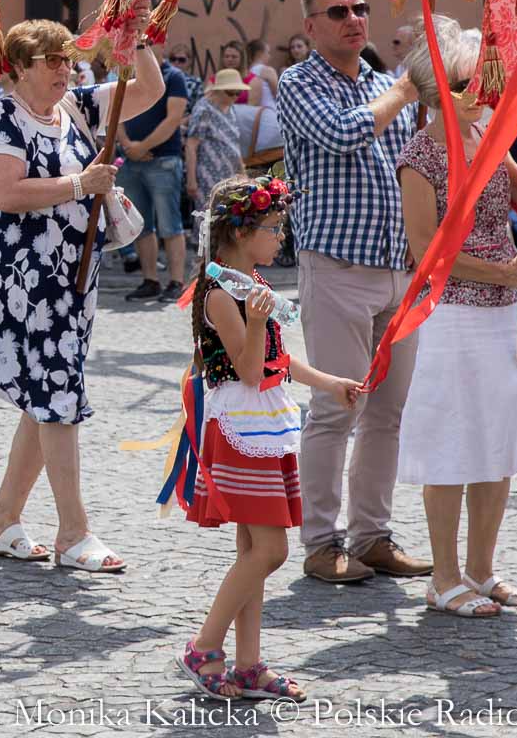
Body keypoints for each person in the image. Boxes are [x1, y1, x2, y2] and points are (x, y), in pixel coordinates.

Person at [0, 20, 165, 572]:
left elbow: (149, 90)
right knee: (57, 392)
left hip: (73, 274)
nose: (63, 70)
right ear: (20, 67)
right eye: (51, 61)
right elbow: (6, 193)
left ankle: (2, 523)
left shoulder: (75, 107)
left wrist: (135, 37)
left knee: (45, 396)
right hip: (24, 279)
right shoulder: (2, 114)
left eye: (67, 59)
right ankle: (74, 532)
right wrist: (78, 185)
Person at [173, 175, 363, 702]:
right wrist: (254, 322)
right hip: (241, 429)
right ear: (242, 229)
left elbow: (280, 360)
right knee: (271, 551)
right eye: (274, 228)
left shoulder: (247, 280)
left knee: (253, 549)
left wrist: (331, 383)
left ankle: (248, 663)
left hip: (266, 425)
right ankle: (204, 646)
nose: (281, 238)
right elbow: (251, 371)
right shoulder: (218, 295)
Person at [275, 0, 433, 585]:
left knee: (388, 414)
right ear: (311, 27)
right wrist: (404, 86)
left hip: (397, 271)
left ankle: (372, 536)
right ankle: (321, 542)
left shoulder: (377, 83)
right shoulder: (299, 82)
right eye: (339, 10)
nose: (354, 18)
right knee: (335, 407)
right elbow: (345, 134)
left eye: (361, 7)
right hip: (337, 268)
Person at [393, 17, 517, 617]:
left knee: (497, 442)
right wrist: (502, 273)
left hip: (504, 312)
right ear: (444, 87)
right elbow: (427, 251)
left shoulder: (485, 136)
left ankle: (482, 569)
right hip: (454, 314)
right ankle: (444, 576)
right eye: (474, 78)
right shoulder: (420, 154)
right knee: (453, 441)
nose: (487, 86)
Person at [118, 51, 190, 303]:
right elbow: (117, 112)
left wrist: (142, 146)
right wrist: (128, 144)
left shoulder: (173, 76)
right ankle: (150, 280)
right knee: (140, 225)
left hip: (164, 159)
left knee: (170, 224)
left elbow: (173, 119)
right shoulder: (126, 73)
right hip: (131, 160)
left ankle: (176, 282)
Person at [185, 69, 248, 212]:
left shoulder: (230, 109)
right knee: (207, 221)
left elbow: (233, 144)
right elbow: (191, 145)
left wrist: (243, 173)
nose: (235, 97)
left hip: (230, 178)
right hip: (208, 177)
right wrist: (191, 180)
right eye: (230, 93)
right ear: (218, 91)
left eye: (238, 93)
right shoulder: (204, 109)